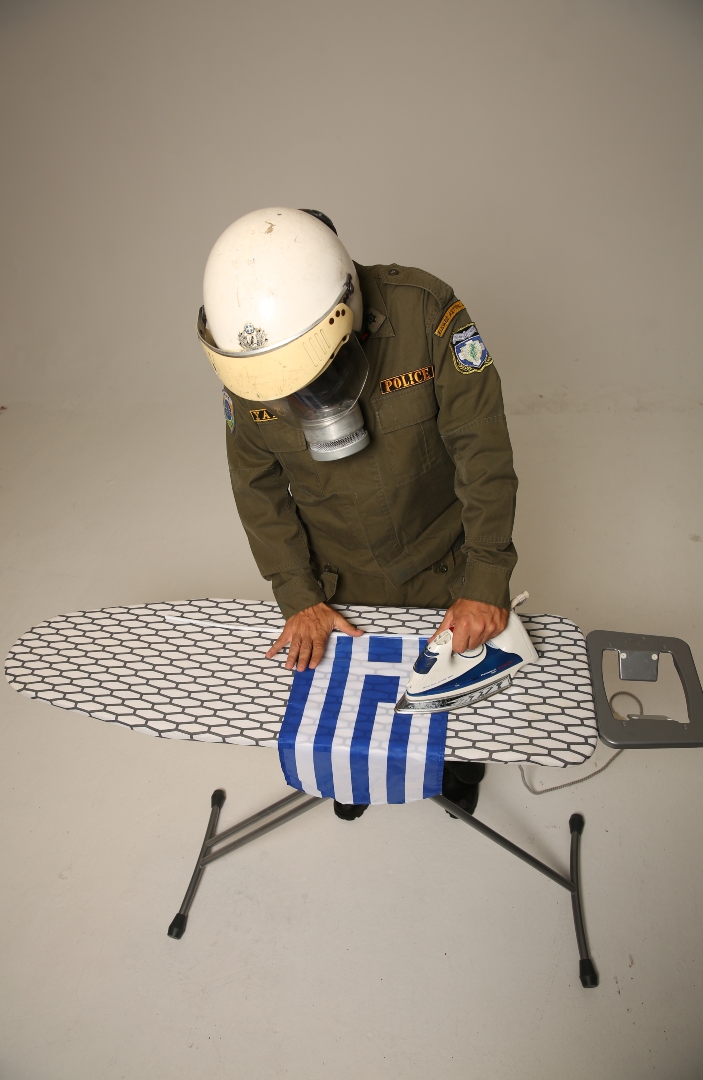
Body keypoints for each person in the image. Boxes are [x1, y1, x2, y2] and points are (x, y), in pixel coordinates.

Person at [197, 208, 518, 819]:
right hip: (339, 580)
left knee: (453, 699)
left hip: (441, 566)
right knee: (353, 707)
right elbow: (256, 486)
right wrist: (298, 595)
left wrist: (484, 582)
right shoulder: (247, 351)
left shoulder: (425, 314)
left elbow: (483, 451)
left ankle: (455, 768)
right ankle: (358, 770)